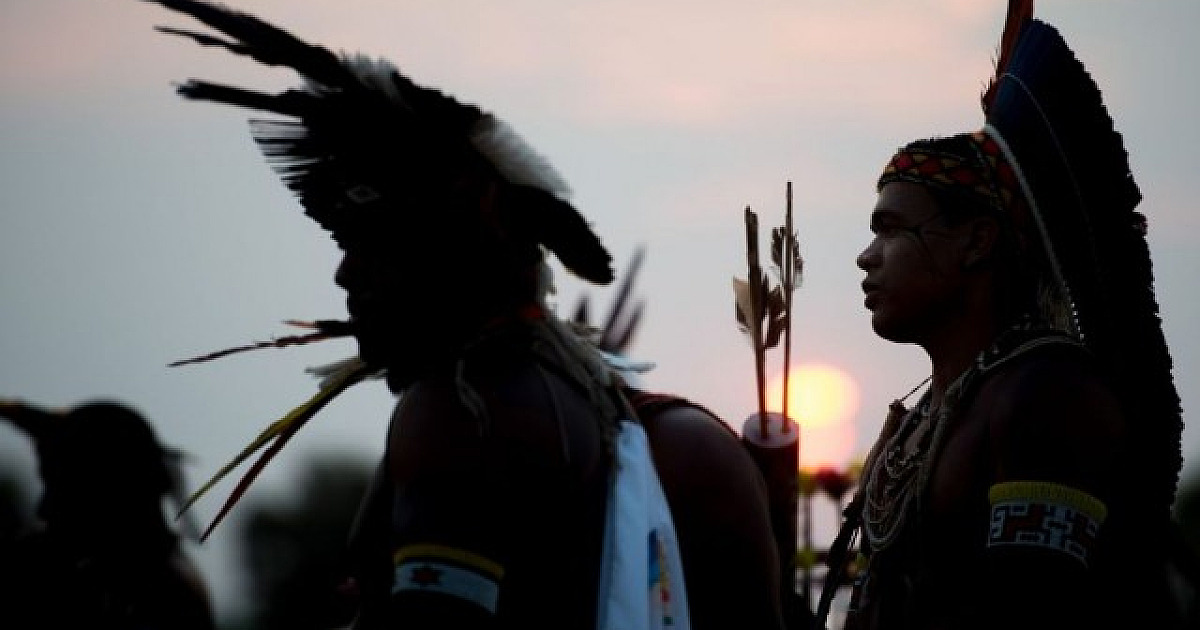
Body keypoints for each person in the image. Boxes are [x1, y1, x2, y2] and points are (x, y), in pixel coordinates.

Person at [148, 1, 785, 628]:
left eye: (373, 245)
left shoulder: (463, 417)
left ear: (452, 258)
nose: (346, 273)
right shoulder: (675, 439)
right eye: (345, 245)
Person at [818, 2, 1186, 629]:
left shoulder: (1045, 397)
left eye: (892, 230)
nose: (866, 257)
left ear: (978, 241)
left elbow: (1039, 609)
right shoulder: (921, 420)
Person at [0, 399, 216, 630]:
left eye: (67, 488)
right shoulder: (148, 581)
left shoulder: (156, 599)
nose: (44, 509)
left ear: (115, 491)